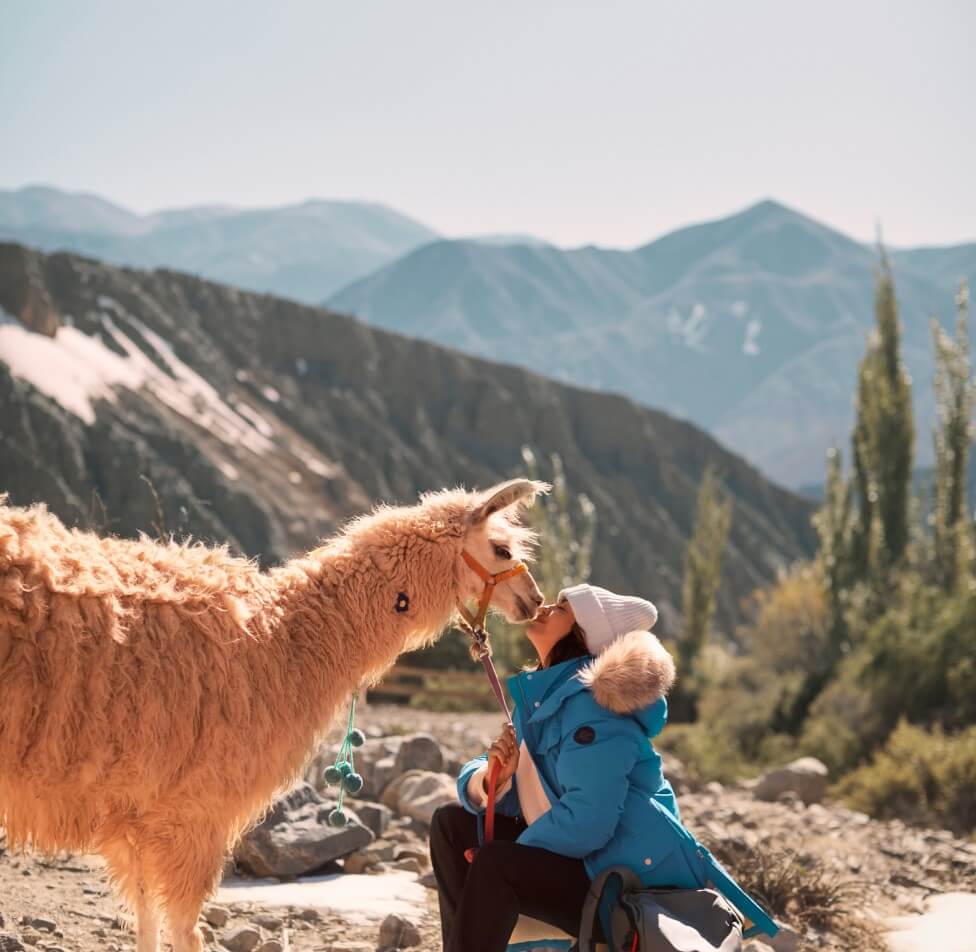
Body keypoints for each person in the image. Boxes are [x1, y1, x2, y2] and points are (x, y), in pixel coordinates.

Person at [429, 583, 776, 952]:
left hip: (620, 884)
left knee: (495, 864)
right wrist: (492, 780)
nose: (545, 607)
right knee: (451, 826)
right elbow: (525, 795)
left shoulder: (595, 708)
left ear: (583, 635)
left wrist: (514, 851)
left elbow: (587, 821)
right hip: (580, 860)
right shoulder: (543, 699)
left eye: (562, 609)